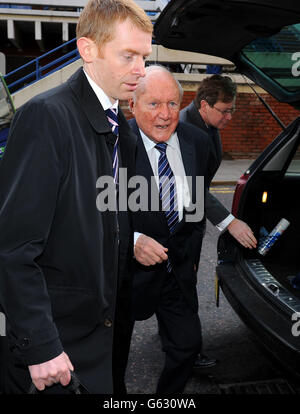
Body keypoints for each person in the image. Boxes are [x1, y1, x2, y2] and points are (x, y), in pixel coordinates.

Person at [0, 0, 152, 394]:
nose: (141, 69)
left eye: (145, 57)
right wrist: (41, 347)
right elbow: (13, 248)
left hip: (101, 337)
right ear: (88, 49)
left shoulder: (125, 129)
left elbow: (108, 218)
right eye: (129, 55)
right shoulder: (46, 117)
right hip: (56, 351)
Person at [128, 65, 213, 393]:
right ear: (132, 106)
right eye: (153, 104)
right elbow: (97, 214)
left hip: (177, 270)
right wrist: (133, 241)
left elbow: (196, 205)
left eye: (172, 104)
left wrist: (192, 254)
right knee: (111, 357)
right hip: (127, 275)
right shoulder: (114, 145)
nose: (164, 114)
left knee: (187, 347)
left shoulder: (197, 142)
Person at [180, 75, 257, 371]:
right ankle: (188, 353)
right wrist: (229, 221)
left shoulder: (208, 124)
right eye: (225, 110)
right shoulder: (184, 129)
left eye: (232, 110)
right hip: (177, 224)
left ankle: (175, 337)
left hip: (193, 222)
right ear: (204, 105)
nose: (229, 116)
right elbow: (191, 187)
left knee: (178, 286)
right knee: (183, 287)